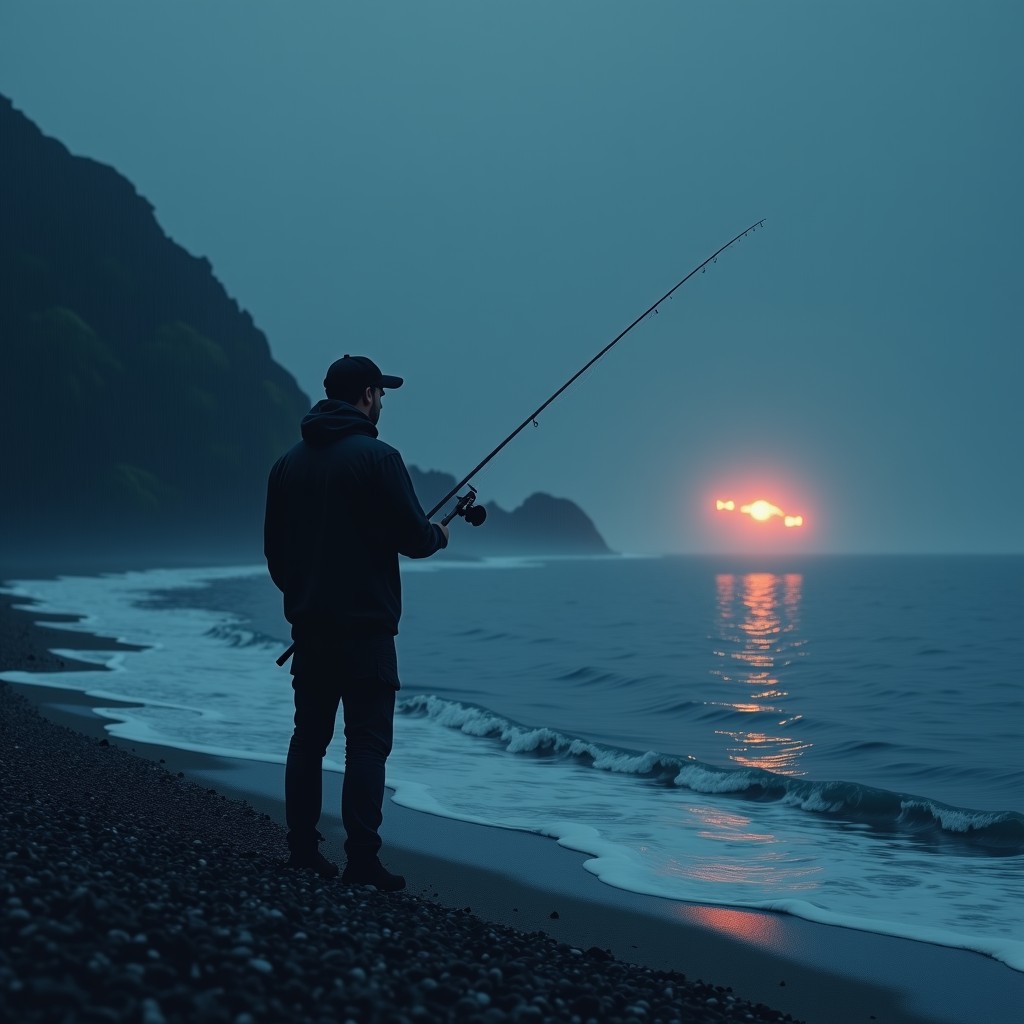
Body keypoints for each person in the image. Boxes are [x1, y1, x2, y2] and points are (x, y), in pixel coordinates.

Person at [264, 354, 449, 890]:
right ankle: (362, 861)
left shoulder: (286, 465)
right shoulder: (379, 458)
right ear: (366, 395)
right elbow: (415, 539)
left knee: (309, 737)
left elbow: (276, 555)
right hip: (366, 631)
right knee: (366, 743)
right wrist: (440, 533)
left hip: (310, 629)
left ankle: (302, 850)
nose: (383, 402)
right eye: (381, 394)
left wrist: (306, 596)